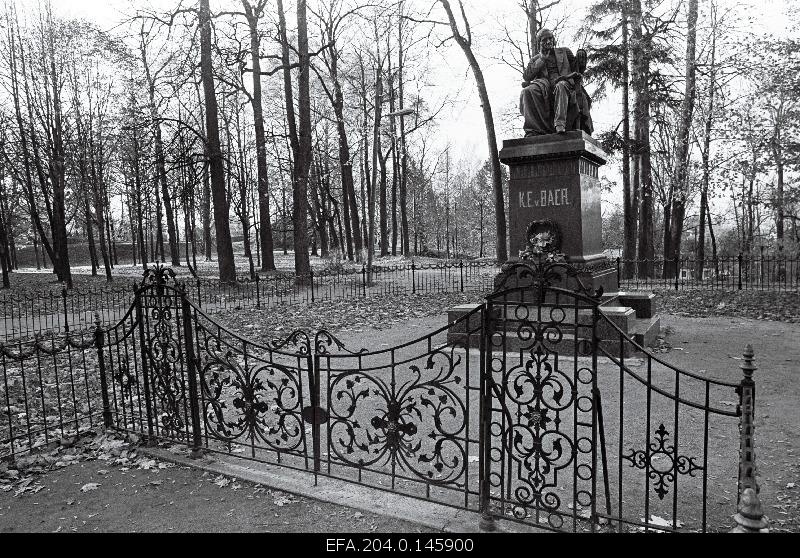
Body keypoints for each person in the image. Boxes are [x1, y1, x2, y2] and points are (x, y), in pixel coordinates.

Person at [519, 28, 593, 137]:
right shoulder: (536, 59)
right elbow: (527, 76)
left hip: (565, 82)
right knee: (527, 91)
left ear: (554, 40)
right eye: (544, 40)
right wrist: (542, 59)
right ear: (539, 43)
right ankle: (533, 130)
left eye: (550, 38)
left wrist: (581, 58)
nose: (548, 41)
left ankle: (560, 124)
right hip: (545, 87)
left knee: (561, 85)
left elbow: (577, 69)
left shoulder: (565, 52)